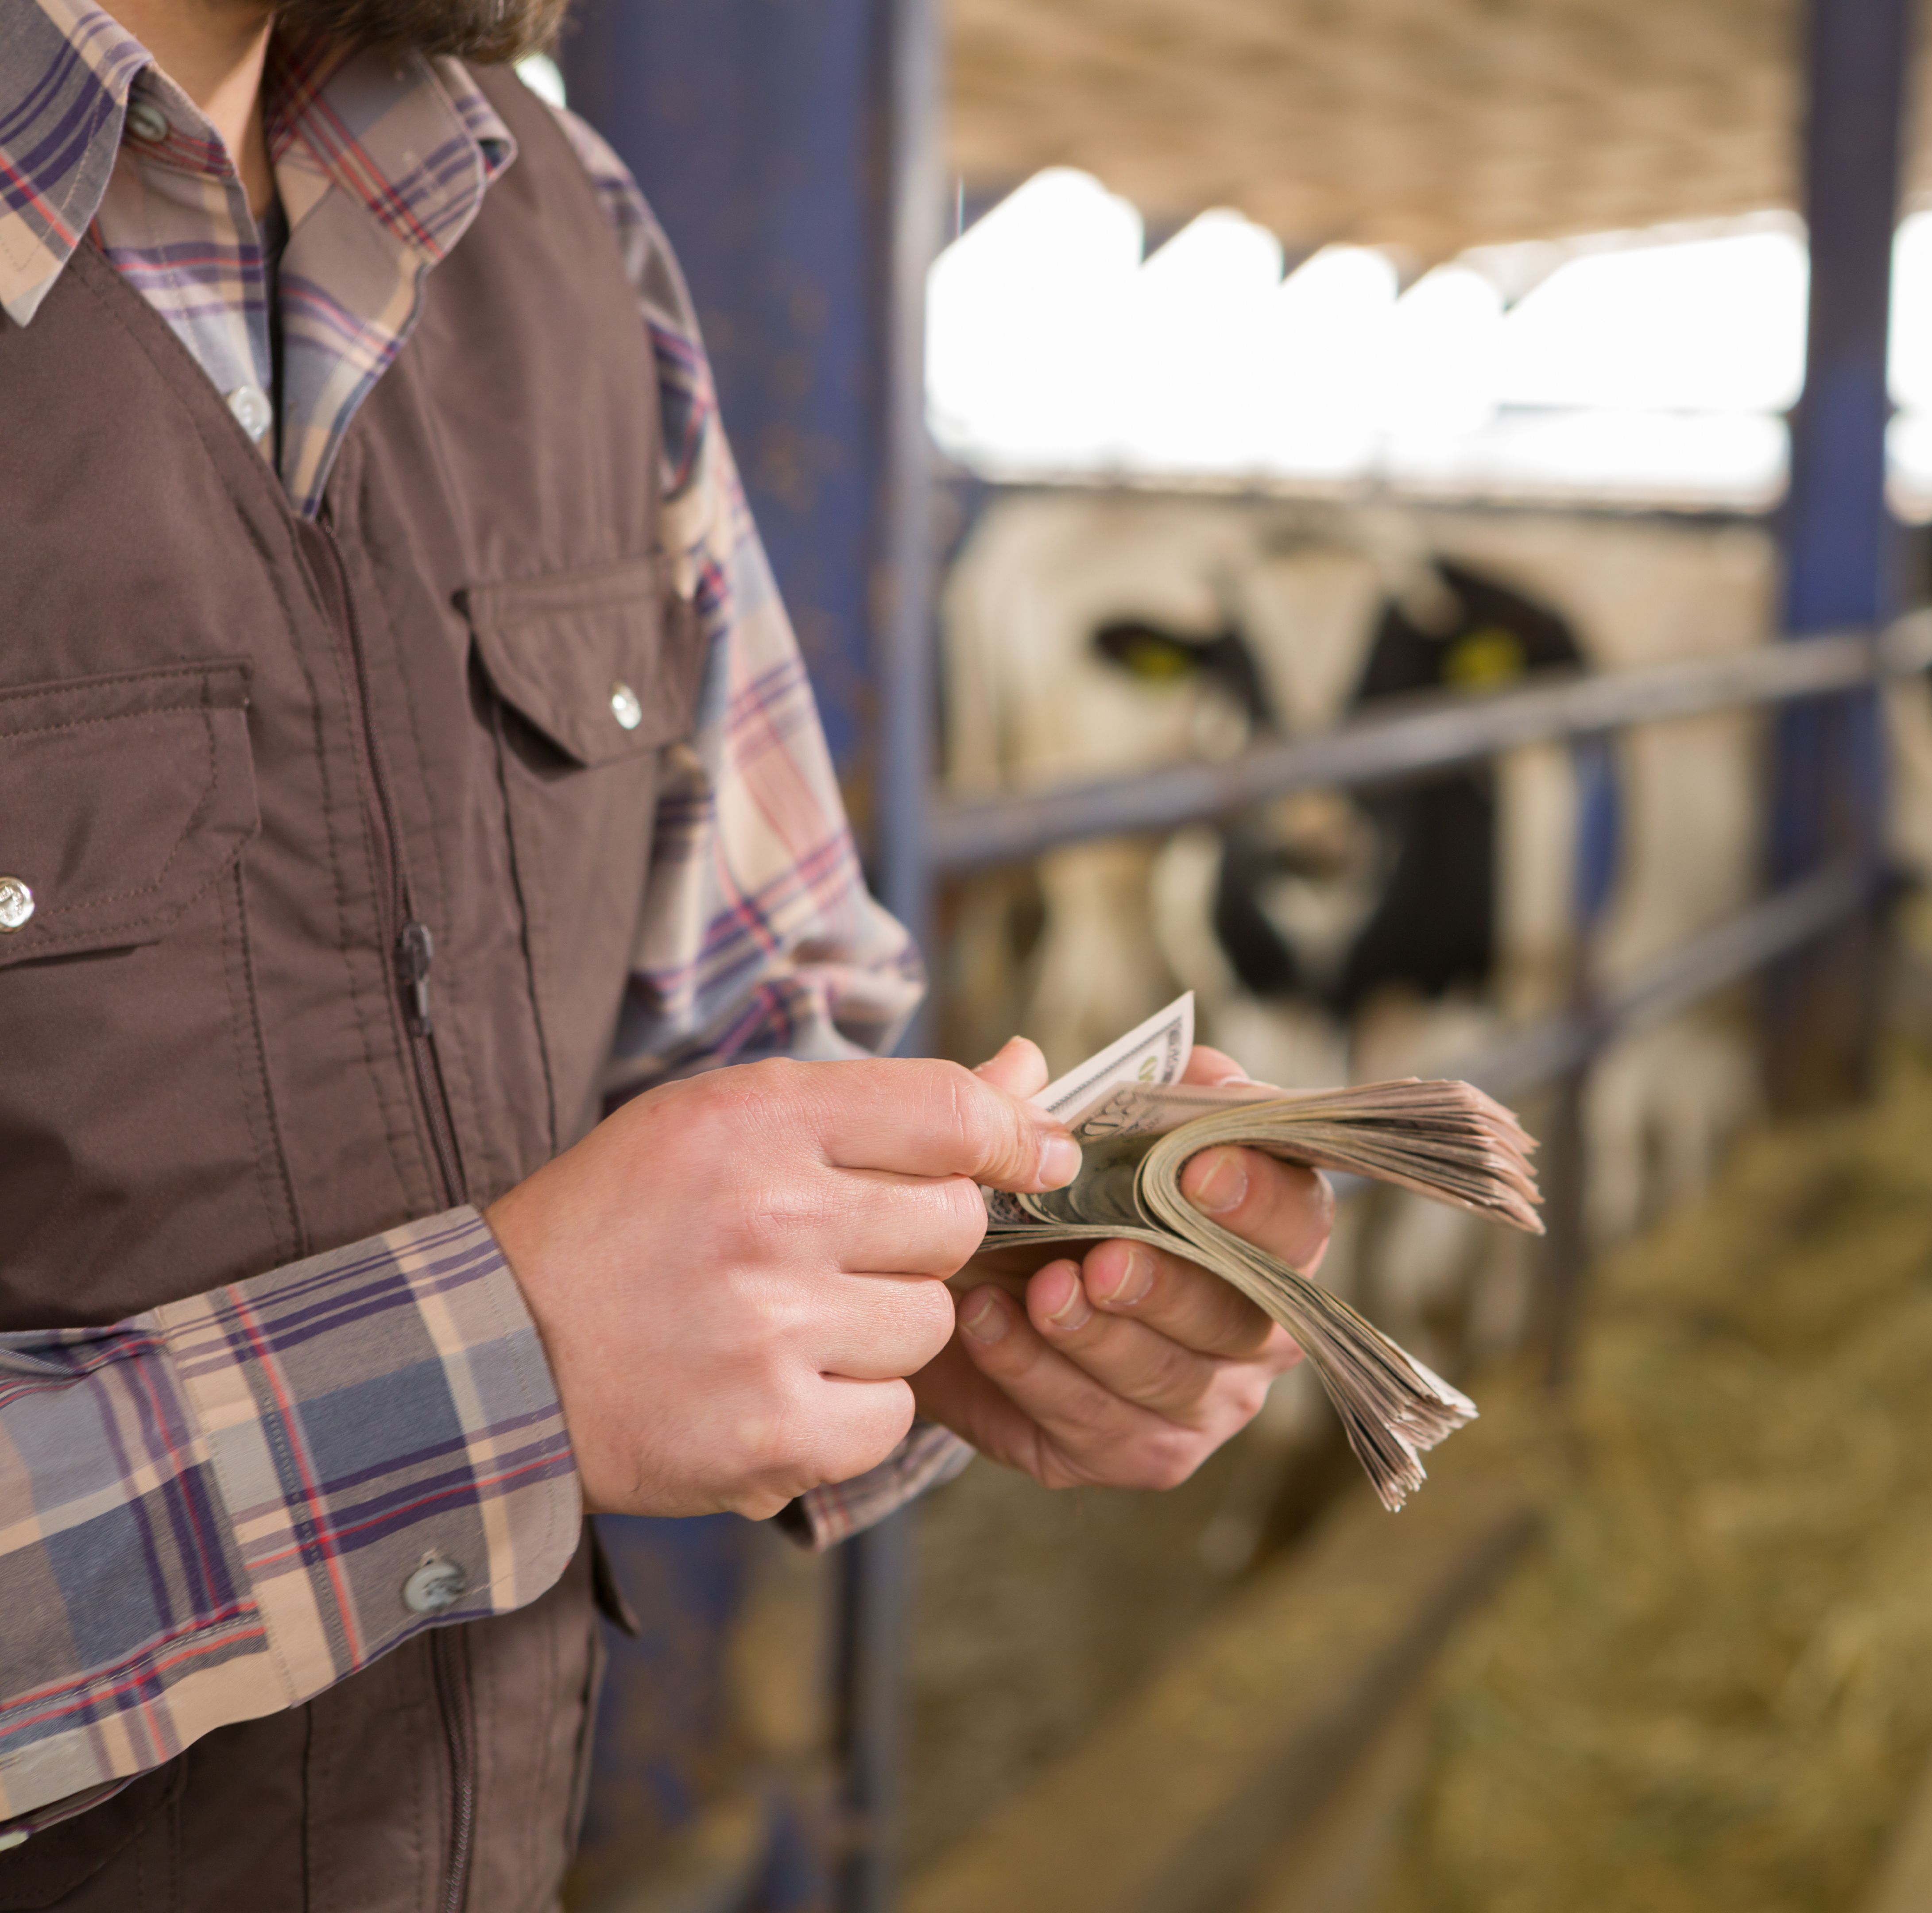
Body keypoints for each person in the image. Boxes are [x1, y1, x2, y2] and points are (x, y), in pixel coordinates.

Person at [0, 0, 1324, 1902]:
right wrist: (504, 1366)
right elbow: (560, 1332)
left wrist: (1002, 1287)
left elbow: (735, 1022)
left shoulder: (563, 228)